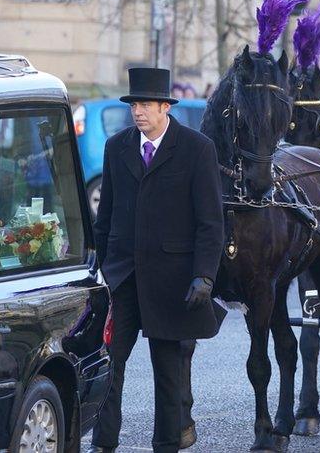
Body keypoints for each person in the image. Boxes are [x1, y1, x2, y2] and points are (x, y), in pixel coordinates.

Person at [90, 68, 225, 453]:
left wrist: (204, 275)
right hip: (123, 279)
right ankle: (104, 442)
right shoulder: (117, 147)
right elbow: (107, 214)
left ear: (165, 107)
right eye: (134, 105)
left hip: (172, 281)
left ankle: (166, 444)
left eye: (146, 104)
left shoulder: (197, 149)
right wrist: (103, 266)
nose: (138, 112)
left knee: (168, 371)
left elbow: (210, 222)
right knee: (109, 365)